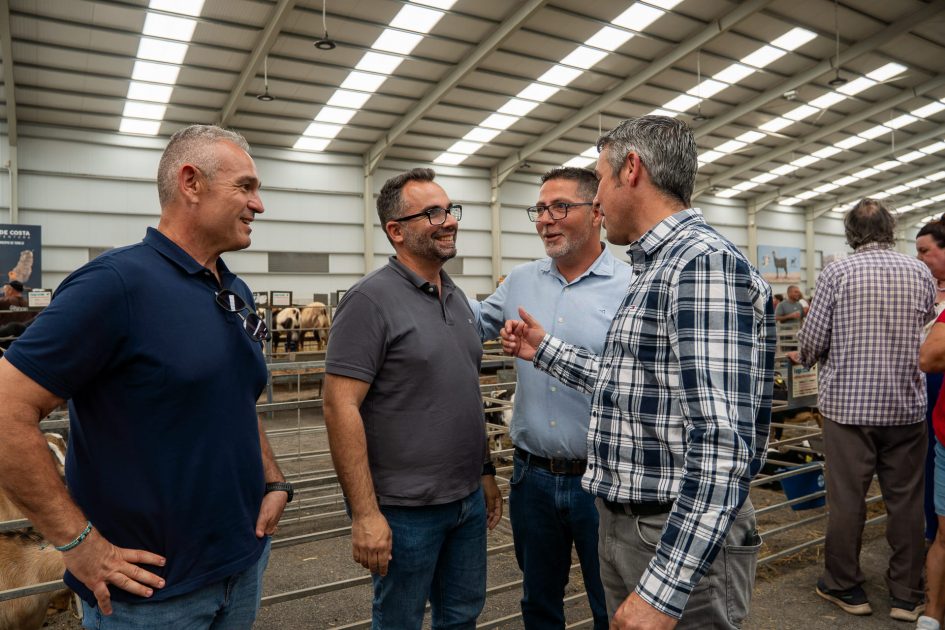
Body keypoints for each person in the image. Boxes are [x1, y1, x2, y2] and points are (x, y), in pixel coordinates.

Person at [0, 124, 290, 628]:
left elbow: (236, 397)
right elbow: (6, 409)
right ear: (191, 183)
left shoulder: (235, 291)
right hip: (150, 598)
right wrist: (78, 544)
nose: (258, 205)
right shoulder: (114, 285)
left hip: (242, 565)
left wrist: (273, 478)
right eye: (245, 187)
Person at [501, 115, 774, 629]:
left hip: (669, 531)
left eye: (600, 180)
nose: (598, 200)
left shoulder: (699, 265)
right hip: (634, 523)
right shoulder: (659, 266)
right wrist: (545, 351)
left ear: (631, 169)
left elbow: (722, 445)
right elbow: (634, 384)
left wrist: (662, 591)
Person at [323, 167, 502, 630]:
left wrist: (484, 472)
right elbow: (339, 406)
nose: (450, 220)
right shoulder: (369, 301)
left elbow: (464, 390)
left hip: (466, 499)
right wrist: (365, 513)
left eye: (450, 210)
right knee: (400, 620)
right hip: (404, 510)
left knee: (462, 615)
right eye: (433, 213)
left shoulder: (458, 298)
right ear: (397, 231)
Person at [470, 166, 632, 629]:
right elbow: (466, 325)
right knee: (539, 602)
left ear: (597, 212)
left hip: (605, 479)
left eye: (560, 207)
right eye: (540, 209)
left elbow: (634, 381)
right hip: (533, 477)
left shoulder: (631, 286)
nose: (545, 219)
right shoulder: (520, 281)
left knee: (612, 605)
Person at [788, 198, 934, 623]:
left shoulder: (838, 272)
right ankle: (907, 594)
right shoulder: (919, 272)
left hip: (849, 409)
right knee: (906, 502)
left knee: (848, 501)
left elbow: (813, 339)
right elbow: (927, 327)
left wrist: (806, 355)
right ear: (891, 229)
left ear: (851, 233)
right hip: (905, 407)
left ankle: (845, 586)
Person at [917, 218, 945, 545]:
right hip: (927, 384)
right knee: (929, 460)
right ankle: (933, 534)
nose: (921, 258)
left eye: (925, 251)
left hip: (939, 378)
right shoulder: (924, 288)